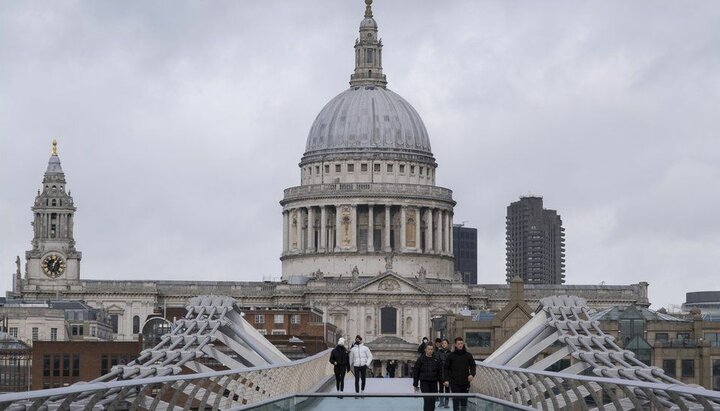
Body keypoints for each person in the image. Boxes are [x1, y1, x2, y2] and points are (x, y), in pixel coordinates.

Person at [443, 337, 476, 411]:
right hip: (454, 383)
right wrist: (446, 380)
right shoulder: (451, 356)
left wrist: (472, 374)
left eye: (461, 343)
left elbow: (473, 366)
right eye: (458, 344)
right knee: (456, 403)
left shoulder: (468, 355)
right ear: (455, 345)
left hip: (465, 382)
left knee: (464, 403)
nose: (460, 345)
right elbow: (446, 368)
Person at [413, 344, 442, 411]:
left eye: (431, 349)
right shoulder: (420, 359)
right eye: (429, 349)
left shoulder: (436, 360)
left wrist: (441, 384)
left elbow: (439, 372)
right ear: (425, 350)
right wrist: (415, 384)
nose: (430, 351)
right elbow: (416, 372)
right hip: (424, 382)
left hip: (434, 382)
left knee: (433, 401)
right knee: (427, 400)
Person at [436, 338, 452, 408]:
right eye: (442, 343)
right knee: (441, 388)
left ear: (448, 344)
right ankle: (441, 402)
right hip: (440, 372)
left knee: (447, 388)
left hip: (448, 373)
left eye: (445, 343)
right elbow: (437, 361)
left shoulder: (451, 353)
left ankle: (446, 403)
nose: (444, 344)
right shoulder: (439, 352)